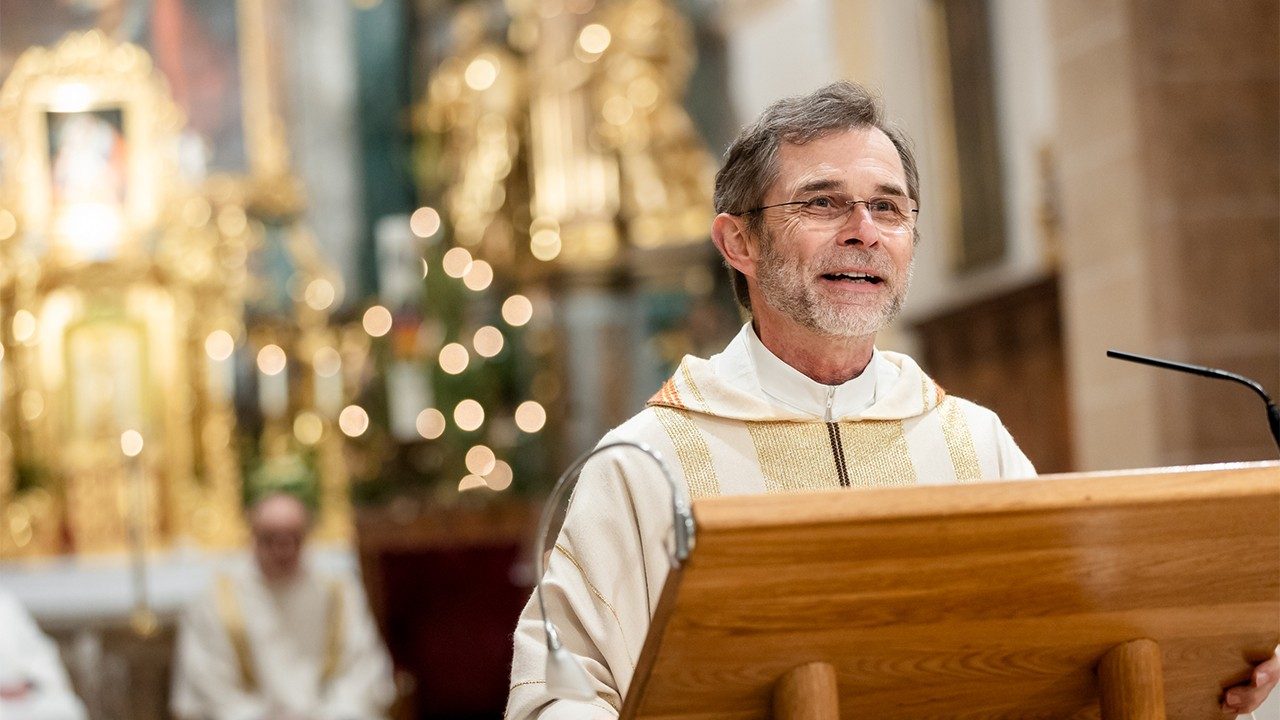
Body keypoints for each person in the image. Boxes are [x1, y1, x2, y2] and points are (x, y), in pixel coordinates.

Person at [504, 81, 1280, 719]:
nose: (864, 231)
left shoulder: (973, 445)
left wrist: (1209, 692)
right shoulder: (646, 466)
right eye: (822, 202)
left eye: (889, 206)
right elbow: (558, 698)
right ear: (738, 243)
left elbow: (1062, 668)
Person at [171, 492, 395, 720]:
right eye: (271, 538)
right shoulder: (215, 598)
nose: (283, 549)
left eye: (293, 538)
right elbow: (209, 680)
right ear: (253, 536)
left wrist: (330, 714)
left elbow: (361, 670)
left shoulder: (337, 592)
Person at [0, 590, 88, 720]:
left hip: (23, 696)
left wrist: (29, 684)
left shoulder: (6, 604)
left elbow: (41, 654)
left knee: (66, 708)